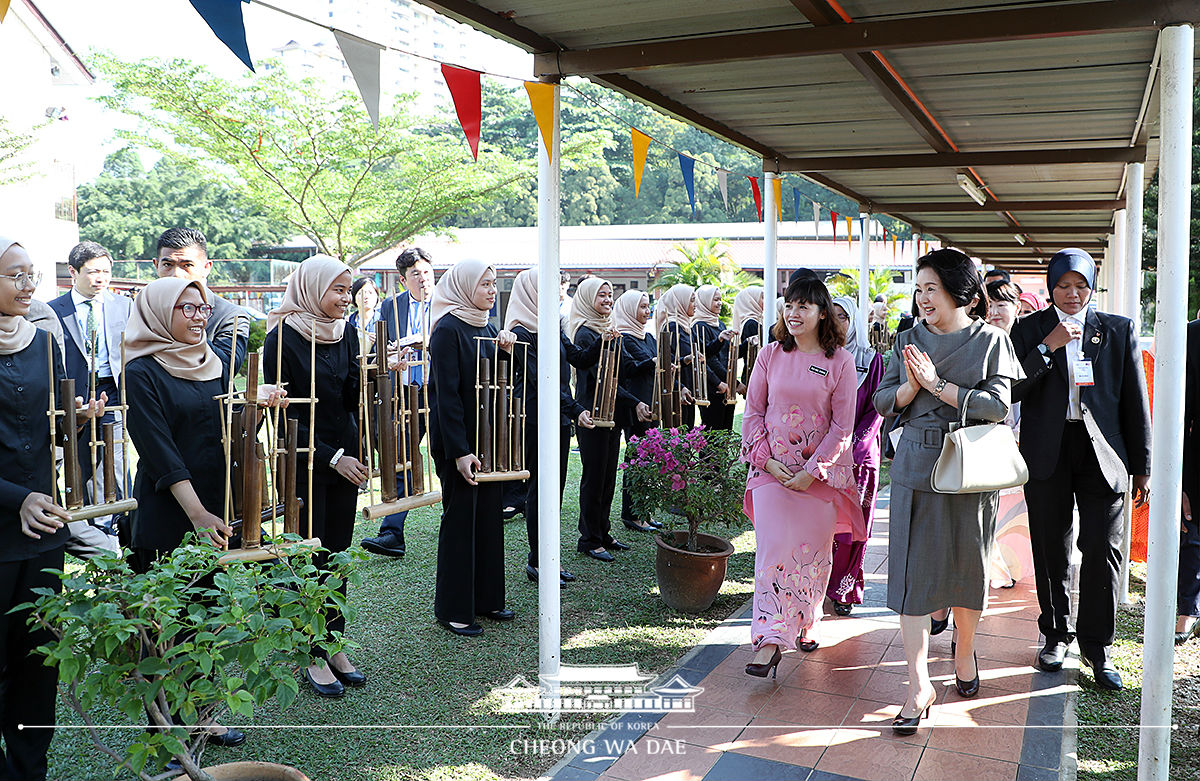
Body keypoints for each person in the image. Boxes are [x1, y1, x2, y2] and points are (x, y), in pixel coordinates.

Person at [123, 277, 288, 754]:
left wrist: (255, 407)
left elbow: (223, 432)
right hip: (170, 508)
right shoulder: (142, 370)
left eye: (202, 309)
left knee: (209, 616)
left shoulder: (214, 364)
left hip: (216, 504)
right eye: (186, 310)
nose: (198, 318)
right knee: (168, 623)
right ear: (158, 314)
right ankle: (167, 729)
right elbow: (158, 449)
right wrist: (196, 512)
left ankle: (203, 715)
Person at [873, 248, 1023, 732]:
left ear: (960, 292)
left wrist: (938, 386)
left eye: (930, 289)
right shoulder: (907, 339)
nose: (921, 299)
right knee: (911, 577)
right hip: (915, 465)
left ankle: (963, 652)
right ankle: (918, 685)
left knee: (967, 568)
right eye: (917, 290)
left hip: (968, 469)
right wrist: (910, 390)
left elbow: (997, 405)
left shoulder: (993, 341)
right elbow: (881, 401)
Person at [1010, 248, 1150, 690]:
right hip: (1048, 451)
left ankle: (1097, 645)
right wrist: (1048, 347)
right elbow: (1013, 388)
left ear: (1092, 286)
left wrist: (1142, 466)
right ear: (1050, 287)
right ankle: (1055, 633)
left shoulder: (1117, 329)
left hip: (1103, 455)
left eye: (1080, 286)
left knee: (1102, 549)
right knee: (1051, 546)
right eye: (1063, 286)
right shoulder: (1028, 329)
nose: (1072, 294)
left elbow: (1134, 401)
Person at [0, 237, 104, 780]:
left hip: (43, 529)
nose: (28, 285)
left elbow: (50, 427)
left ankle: (28, 772)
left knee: (37, 663)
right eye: (14, 275)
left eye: (31, 274)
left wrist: (76, 419)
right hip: (3, 524)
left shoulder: (43, 341)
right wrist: (17, 499)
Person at [741, 275, 864, 678]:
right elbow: (754, 412)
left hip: (820, 480)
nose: (793, 313)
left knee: (812, 558)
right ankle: (770, 638)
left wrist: (813, 471)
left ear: (821, 313)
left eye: (803, 307)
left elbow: (842, 426)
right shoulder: (769, 354)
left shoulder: (841, 361)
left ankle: (809, 619)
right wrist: (768, 461)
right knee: (773, 553)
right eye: (788, 305)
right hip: (770, 474)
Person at [264, 255, 367, 696]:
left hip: (345, 456)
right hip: (306, 460)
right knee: (310, 554)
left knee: (338, 554)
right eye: (337, 290)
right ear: (311, 288)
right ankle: (309, 652)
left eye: (348, 291)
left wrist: (375, 374)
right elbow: (282, 419)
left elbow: (350, 399)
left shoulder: (347, 332)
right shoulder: (282, 336)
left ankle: (334, 642)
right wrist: (332, 457)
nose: (345, 299)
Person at [427, 259, 516, 636]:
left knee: (489, 519)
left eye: (495, 284)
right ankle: (453, 609)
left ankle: (487, 599)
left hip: (489, 438)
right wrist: (460, 451)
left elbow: (495, 382)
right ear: (465, 287)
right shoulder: (447, 329)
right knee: (461, 520)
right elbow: (444, 395)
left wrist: (505, 351)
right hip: (458, 442)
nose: (492, 291)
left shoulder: (488, 326)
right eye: (485, 285)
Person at [504, 268, 588, 584]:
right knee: (541, 492)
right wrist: (576, 408)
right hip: (536, 419)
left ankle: (549, 559)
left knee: (556, 490)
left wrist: (606, 341)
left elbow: (578, 357)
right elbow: (540, 380)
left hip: (560, 416)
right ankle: (537, 561)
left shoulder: (551, 325)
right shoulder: (520, 333)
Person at [48, 241, 129, 555]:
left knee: (115, 461)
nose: (101, 278)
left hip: (113, 391)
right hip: (75, 395)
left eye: (106, 271)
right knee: (78, 462)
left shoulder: (124, 306)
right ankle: (88, 527)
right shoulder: (54, 310)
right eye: (93, 271)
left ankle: (118, 526)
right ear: (73, 272)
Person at [362, 248, 435, 558]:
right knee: (402, 457)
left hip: (439, 390)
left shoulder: (447, 302)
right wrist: (391, 352)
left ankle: (458, 520)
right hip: (404, 392)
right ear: (404, 280)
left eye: (427, 272)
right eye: (415, 274)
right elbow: (379, 353)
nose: (423, 279)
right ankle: (392, 533)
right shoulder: (391, 306)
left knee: (449, 455)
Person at [825, 296, 885, 617]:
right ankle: (818, 582)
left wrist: (851, 446)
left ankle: (844, 590)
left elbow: (876, 410)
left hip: (858, 457)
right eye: (830, 316)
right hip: (821, 457)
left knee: (853, 526)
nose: (836, 322)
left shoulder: (871, 361)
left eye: (842, 316)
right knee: (821, 526)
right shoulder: (819, 357)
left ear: (855, 321)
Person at [568, 276, 632, 562]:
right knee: (594, 477)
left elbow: (623, 369)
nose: (607, 300)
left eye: (610, 295)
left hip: (612, 411)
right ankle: (589, 538)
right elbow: (599, 376)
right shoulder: (585, 332)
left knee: (607, 476)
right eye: (601, 295)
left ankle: (603, 532)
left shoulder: (610, 328)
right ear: (586, 299)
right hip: (591, 413)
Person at [984, 279, 1036, 589]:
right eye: (989, 305)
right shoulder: (981, 341)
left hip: (1018, 437)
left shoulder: (1024, 344)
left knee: (1014, 506)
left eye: (1002, 304)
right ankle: (993, 567)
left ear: (1016, 308)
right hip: (986, 438)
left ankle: (1011, 566)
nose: (994, 312)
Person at [154, 228, 251, 373]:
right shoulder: (145, 310)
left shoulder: (230, 316)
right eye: (168, 265)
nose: (176, 274)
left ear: (206, 268)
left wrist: (187, 328)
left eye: (187, 265)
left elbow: (227, 369)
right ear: (156, 266)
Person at [612, 290, 658, 533]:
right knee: (636, 460)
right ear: (629, 309)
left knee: (649, 459)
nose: (646, 311)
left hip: (652, 402)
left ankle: (645, 512)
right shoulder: (624, 338)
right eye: (641, 307)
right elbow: (631, 369)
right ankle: (632, 514)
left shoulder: (648, 337)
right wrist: (652, 363)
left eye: (647, 306)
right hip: (635, 405)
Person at [1179, 317, 1200, 644]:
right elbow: (1179, 412)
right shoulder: (1192, 336)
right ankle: (1188, 609)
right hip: (1196, 455)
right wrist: (1176, 480)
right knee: (1192, 531)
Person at [692, 284, 736, 431]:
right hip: (712, 388)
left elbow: (727, 355)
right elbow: (708, 358)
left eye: (720, 299)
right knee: (713, 433)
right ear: (704, 301)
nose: (719, 303)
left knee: (726, 432)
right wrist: (723, 382)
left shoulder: (720, 324)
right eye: (715, 299)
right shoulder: (699, 326)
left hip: (726, 385)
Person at [655, 284, 698, 426]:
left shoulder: (685, 325)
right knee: (679, 434)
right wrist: (679, 386)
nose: (695, 304)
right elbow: (669, 361)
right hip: (677, 388)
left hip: (686, 386)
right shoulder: (672, 326)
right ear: (680, 302)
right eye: (692, 300)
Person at [347, 276, 381, 340]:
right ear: (354, 297)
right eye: (361, 293)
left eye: (370, 293)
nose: (366, 296)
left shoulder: (383, 320)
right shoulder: (348, 322)